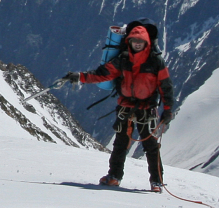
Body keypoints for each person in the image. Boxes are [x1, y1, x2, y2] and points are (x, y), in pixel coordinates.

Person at [64, 23, 176, 191]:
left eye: (140, 41)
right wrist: (80, 77)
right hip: (131, 107)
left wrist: (168, 110)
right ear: (129, 41)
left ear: (147, 42)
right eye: (134, 41)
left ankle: (154, 180)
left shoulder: (154, 61)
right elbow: (102, 74)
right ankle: (121, 177)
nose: (137, 44)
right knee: (122, 144)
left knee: (148, 146)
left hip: (141, 108)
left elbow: (166, 87)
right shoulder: (124, 59)